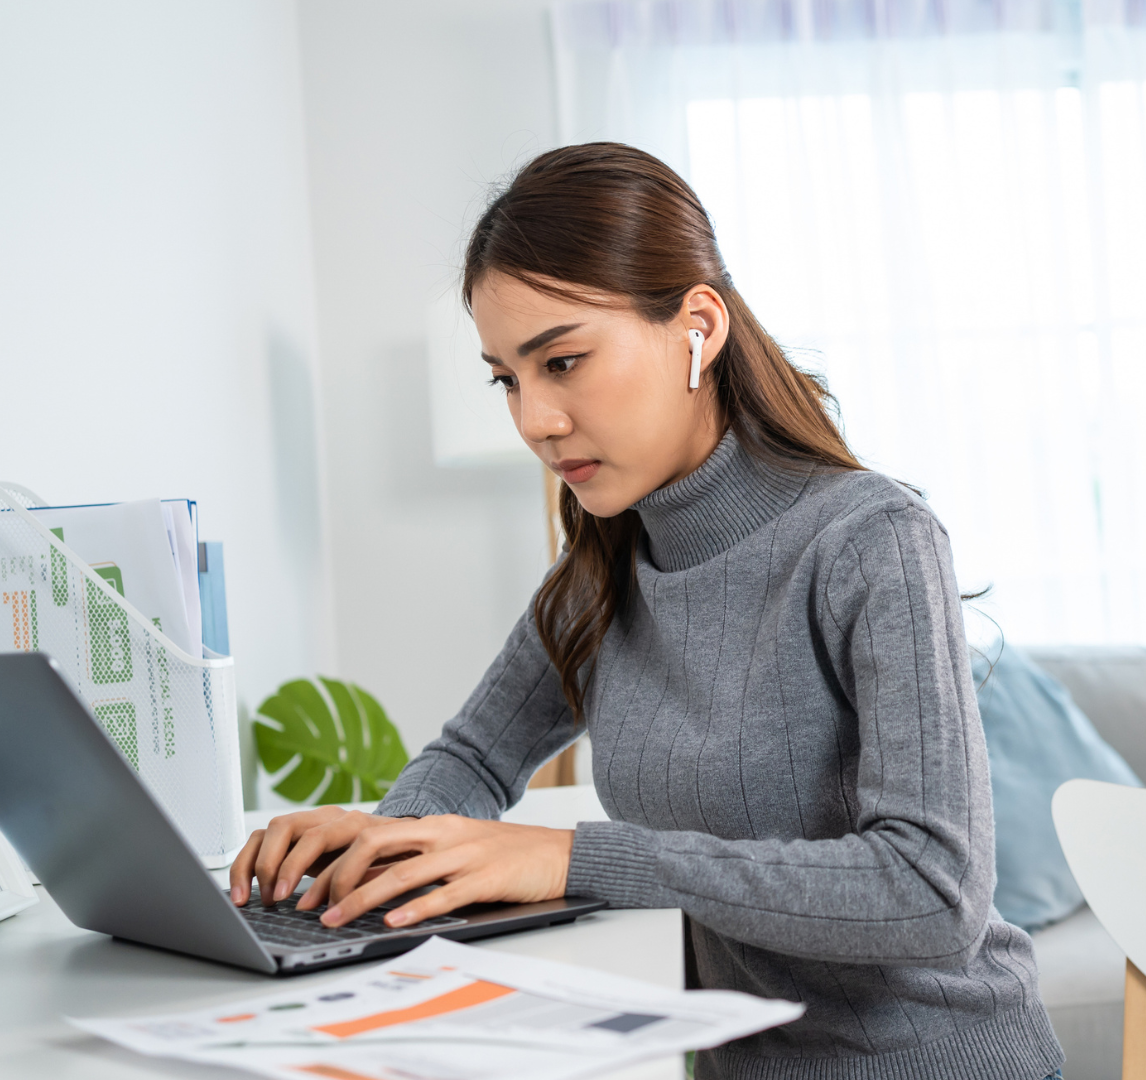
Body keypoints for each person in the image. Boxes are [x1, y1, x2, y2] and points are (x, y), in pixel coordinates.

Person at [228, 143, 1065, 1080]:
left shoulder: (870, 540)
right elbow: (473, 756)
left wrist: (569, 860)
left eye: (565, 361)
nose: (534, 420)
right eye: (507, 378)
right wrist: (389, 852)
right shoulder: (605, 563)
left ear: (696, 326)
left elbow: (932, 892)